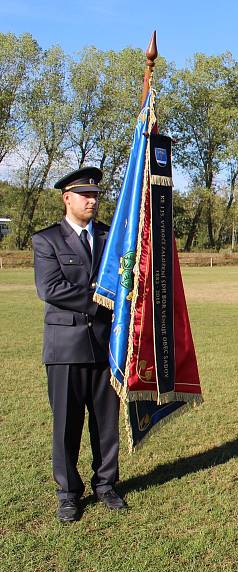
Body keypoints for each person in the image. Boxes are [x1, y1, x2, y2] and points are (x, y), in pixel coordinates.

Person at [32, 167, 125, 522]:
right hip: (66, 347)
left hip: (105, 345)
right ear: (66, 198)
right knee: (67, 425)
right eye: (84, 195)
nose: (92, 201)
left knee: (106, 423)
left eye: (96, 195)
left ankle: (106, 485)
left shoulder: (110, 237)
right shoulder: (47, 240)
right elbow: (51, 289)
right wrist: (101, 298)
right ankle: (68, 493)